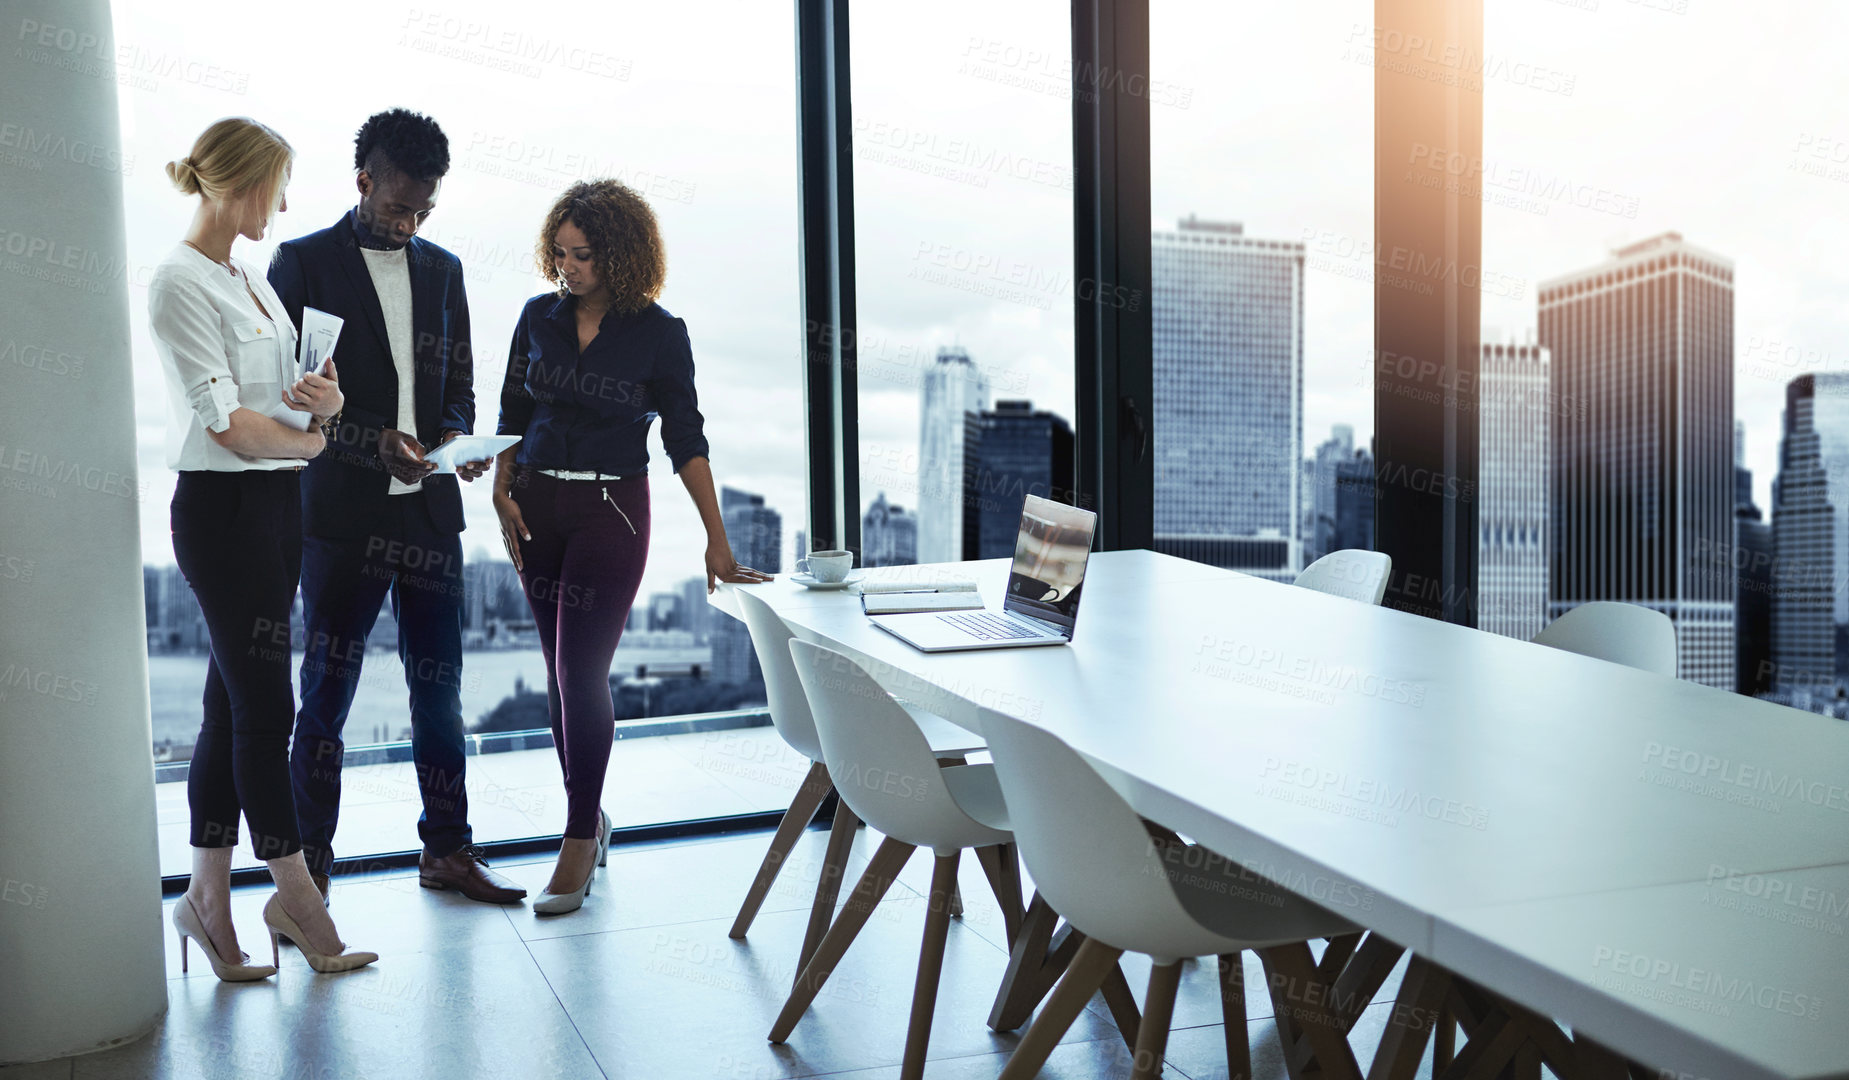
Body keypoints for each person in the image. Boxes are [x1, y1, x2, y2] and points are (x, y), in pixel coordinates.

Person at [494, 179, 770, 914]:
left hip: (612, 509)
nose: (567, 268)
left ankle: (578, 838)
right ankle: (591, 818)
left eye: (582, 255)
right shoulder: (535, 318)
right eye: (558, 253)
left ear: (619, 255)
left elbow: (685, 438)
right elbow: (511, 411)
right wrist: (501, 487)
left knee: (583, 672)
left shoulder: (657, 332)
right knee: (557, 675)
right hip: (537, 508)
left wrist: (716, 537)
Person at [269, 109, 523, 905]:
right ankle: (308, 873)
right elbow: (287, 405)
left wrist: (455, 438)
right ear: (363, 182)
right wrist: (371, 440)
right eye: (397, 208)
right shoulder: (301, 265)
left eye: (424, 211)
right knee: (328, 694)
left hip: (429, 514)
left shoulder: (443, 272)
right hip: (341, 517)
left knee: (439, 690)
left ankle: (447, 850)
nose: (410, 224)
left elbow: (461, 391)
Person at [151, 117, 376, 977]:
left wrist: (325, 403)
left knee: (224, 709)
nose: (281, 204)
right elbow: (232, 428)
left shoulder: (250, 279)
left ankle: (207, 901)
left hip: (280, 510)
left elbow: (294, 408)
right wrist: (313, 441)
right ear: (233, 183)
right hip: (224, 513)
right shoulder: (179, 282)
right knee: (265, 712)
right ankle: (299, 901)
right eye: (272, 186)